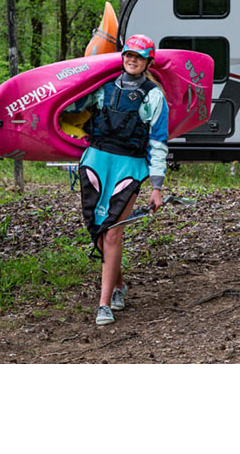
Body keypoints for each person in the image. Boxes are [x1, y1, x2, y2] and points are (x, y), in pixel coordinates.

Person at [65, 34, 169, 325]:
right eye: (127, 55)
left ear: (148, 60)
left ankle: (104, 304)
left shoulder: (154, 96)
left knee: (112, 233)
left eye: (138, 56)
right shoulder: (103, 89)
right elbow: (72, 105)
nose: (131, 60)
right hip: (96, 161)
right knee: (98, 232)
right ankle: (119, 285)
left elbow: (159, 143)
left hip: (130, 168)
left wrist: (157, 188)